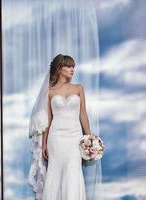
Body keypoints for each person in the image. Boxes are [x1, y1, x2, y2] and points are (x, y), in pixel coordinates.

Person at [28, 54, 102, 200]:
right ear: (59, 68)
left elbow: (83, 114)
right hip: (56, 138)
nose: (72, 69)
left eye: (73, 66)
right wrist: (44, 144)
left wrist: (89, 139)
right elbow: (49, 119)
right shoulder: (50, 92)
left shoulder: (79, 88)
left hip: (75, 137)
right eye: (68, 66)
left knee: (73, 172)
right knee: (55, 172)